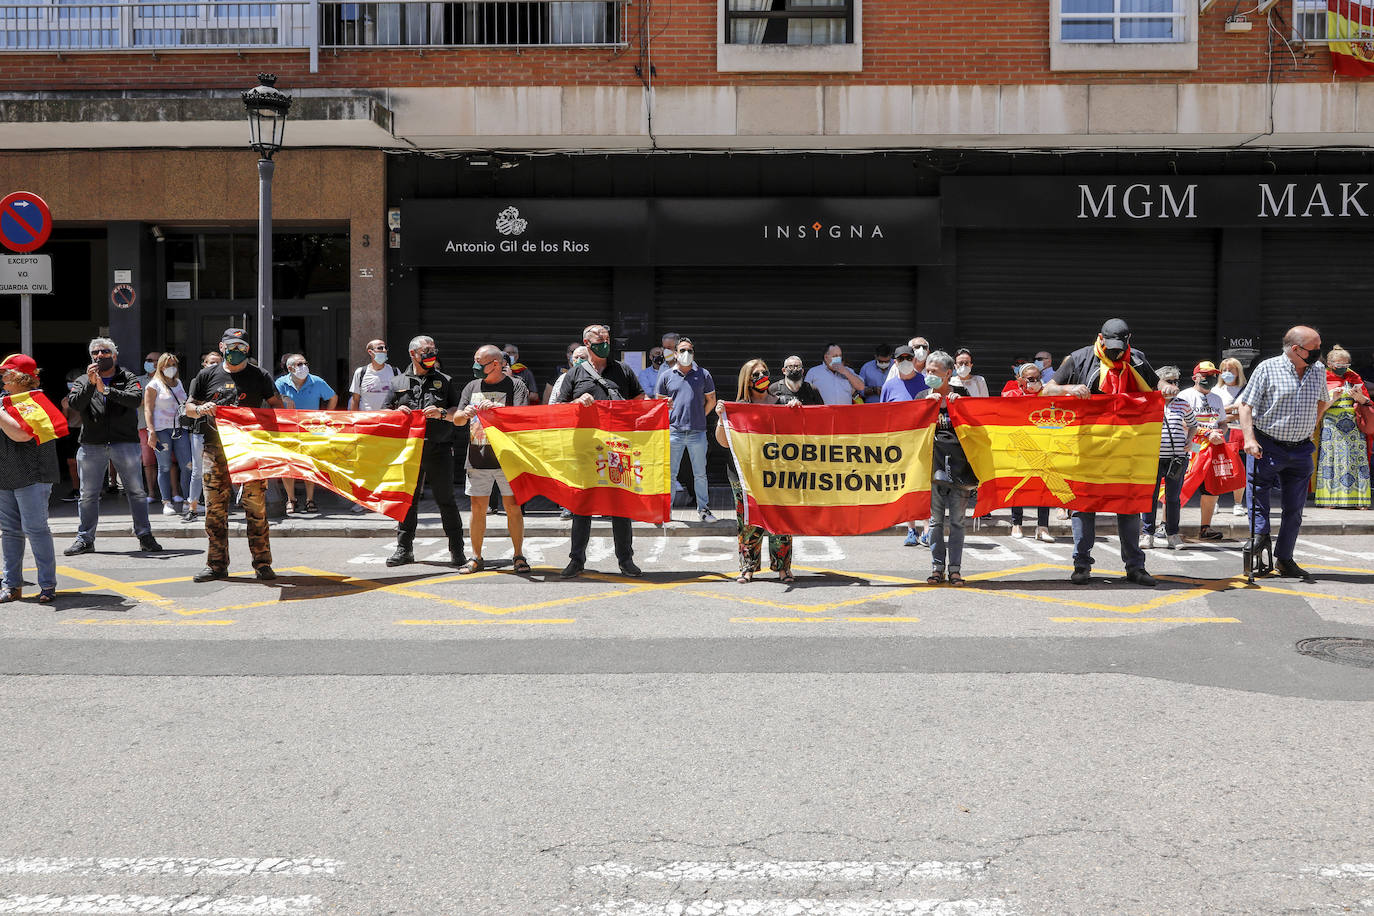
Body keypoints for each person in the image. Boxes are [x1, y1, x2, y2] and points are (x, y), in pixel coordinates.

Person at [1042, 318, 1158, 587]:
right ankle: (1081, 565)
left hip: (1126, 449)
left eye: (1120, 346)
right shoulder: (1078, 358)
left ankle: (1135, 568)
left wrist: (1165, 388)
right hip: (1087, 449)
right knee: (1083, 507)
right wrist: (1070, 389)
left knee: (1129, 508)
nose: (1115, 352)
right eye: (1110, 345)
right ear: (1100, 338)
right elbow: (1048, 390)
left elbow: (1154, 390)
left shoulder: (1138, 359)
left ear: (1129, 340)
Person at [183, 329, 285, 581]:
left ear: (247, 349)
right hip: (214, 449)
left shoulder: (260, 375)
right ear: (221, 347)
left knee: (256, 508)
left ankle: (262, 563)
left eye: (241, 346)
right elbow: (188, 407)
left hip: (250, 450)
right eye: (231, 346)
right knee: (215, 511)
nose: (236, 351)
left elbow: (277, 407)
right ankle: (216, 564)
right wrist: (201, 409)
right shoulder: (207, 375)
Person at [549, 322, 646, 579]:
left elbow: (639, 400)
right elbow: (559, 410)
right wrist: (576, 402)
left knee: (620, 507)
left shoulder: (623, 370)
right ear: (587, 344)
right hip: (584, 449)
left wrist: (654, 408)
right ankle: (576, 560)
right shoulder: (575, 375)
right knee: (582, 506)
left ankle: (626, 561)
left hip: (617, 447)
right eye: (600, 338)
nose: (606, 341)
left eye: (607, 337)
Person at [1236, 325, 1332, 582]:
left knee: (1295, 508)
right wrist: (1249, 439)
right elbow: (1245, 406)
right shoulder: (1267, 368)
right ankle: (1260, 541)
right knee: (1258, 498)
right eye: (1315, 349)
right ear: (1296, 349)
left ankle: (1285, 558)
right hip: (1268, 445)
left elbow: (1323, 400)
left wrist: (1313, 422)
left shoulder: (1319, 370)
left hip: (1301, 448)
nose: (1319, 353)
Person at [63, 337, 161, 557]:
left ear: (114, 355)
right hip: (91, 445)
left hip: (124, 442)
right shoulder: (82, 380)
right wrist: (91, 384)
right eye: (96, 353)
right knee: (88, 494)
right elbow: (76, 404)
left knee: (135, 492)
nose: (100, 356)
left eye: (105, 352)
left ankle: (145, 536)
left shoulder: (127, 377)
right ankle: (85, 538)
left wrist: (106, 390)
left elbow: (135, 400)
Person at [383, 335, 467, 569]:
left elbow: (457, 411)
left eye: (433, 350)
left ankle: (457, 550)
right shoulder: (397, 382)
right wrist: (396, 412)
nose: (431, 354)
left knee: (446, 500)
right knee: (407, 501)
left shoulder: (445, 380)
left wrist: (440, 412)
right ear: (413, 354)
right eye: (426, 351)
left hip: (439, 448)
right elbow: (385, 413)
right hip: (409, 451)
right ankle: (404, 549)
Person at [714, 359, 796, 583]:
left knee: (780, 517)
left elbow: (796, 434)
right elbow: (723, 442)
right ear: (747, 381)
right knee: (748, 520)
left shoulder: (782, 403)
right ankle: (748, 567)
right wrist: (721, 417)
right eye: (756, 375)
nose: (762, 377)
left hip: (775, 473)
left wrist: (794, 410)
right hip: (744, 474)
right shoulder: (737, 407)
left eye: (764, 372)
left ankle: (783, 567)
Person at [454, 345, 530, 574]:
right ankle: (476, 557)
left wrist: (497, 408)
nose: (475, 367)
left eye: (480, 363)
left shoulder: (516, 385)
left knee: (513, 507)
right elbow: (456, 419)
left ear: (495, 364)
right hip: (478, 457)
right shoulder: (471, 386)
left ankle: (518, 555)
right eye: (475, 361)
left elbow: (522, 417)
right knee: (477, 508)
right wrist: (464, 413)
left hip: (508, 458)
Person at [0, 354, 60, 604]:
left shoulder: (36, 400)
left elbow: (22, 435)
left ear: (21, 377)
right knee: (10, 532)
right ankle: (11, 585)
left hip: (33, 475)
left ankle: (47, 584)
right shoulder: (4, 401)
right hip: (6, 474)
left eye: (6, 373)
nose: (2, 378)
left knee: (36, 530)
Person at [922, 351, 976, 586]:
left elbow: (978, 428)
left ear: (948, 373)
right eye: (927, 371)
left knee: (957, 521)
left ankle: (955, 569)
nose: (929, 375)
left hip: (960, 470)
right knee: (935, 522)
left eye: (934, 371)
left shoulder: (962, 394)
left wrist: (962, 406)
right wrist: (925, 407)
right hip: (931, 470)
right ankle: (936, 568)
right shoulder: (921, 396)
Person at [656, 336, 718, 522]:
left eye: (690, 350)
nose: (686, 354)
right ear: (675, 353)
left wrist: (700, 415)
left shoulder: (703, 374)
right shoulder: (666, 375)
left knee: (700, 473)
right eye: (682, 350)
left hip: (697, 432)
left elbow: (711, 400)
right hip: (673, 431)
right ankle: (666, 512)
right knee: (670, 474)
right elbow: (658, 402)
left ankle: (704, 510)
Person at [1141, 367, 1196, 551]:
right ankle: (1147, 534)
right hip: (1153, 459)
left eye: (1176, 382)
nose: (1173, 385)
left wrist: (1189, 441)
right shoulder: (1148, 403)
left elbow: (1193, 425)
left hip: (1177, 458)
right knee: (1150, 497)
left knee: (1173, 498)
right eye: (1169, 381)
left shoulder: (1182, 404)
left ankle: (1172, 534)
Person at [276, 353, 338, 514]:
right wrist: (284, 398)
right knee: (288, 465)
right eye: (299, 364)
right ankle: (291, 500)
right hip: (288, 430)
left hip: (311, 430)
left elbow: (333, 397)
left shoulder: (316, 381)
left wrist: (327, 416)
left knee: (309, 465)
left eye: (305, 363)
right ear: (290, 368)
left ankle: (310, 500)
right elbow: (273, 400)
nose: (303, 366)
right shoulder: (281, 383)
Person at [881, 346, 931, 547]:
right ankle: (911, 529)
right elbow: (884, 416)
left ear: (915, 359)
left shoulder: (926, 382)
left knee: (924, 487)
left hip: (923, 443)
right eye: (900, 358)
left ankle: (927, 529)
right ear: (894, 362)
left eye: (908, 357)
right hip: (900, 445)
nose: (904, 360)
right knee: (906, 486)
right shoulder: (889, 386)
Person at [1177, 361, 1230, 541]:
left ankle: (1205, 528)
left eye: (1214, 375)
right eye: (1206, 375)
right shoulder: (1185, 395)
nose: (1211, 379)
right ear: (1195, 377)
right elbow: (1182, 421)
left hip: (1212, 447)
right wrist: (1207, 432)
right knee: (1181, 485)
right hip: (1192, 446)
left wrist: (1219, 432)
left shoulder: (1217, 399)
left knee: (1211, 489)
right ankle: (1166, 526)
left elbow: (1222, 422)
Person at [1002, 362, 1054, 542]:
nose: (1036, 382)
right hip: (1020, 445)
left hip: (1043, 445)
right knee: (1019, 485)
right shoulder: (1011, 394)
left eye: (1038, 378)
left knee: (1044, 487)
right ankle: (1016, 523)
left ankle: (1043, 527)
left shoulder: (1047, 393)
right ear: (1021, 380)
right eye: (1031, 379)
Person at [1314, 345, 1371, 509]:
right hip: (1332, 426)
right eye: (1340, 365)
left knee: (1356, 460)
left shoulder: (1354, 377)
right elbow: (1317, 408)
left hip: (1354, 427)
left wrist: (1360, 398)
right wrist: (1332, 399)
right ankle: (1330, 500)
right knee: (1331, 460)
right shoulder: (1322, 377)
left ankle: (1359, 500)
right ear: (1330, 363)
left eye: (1346, 365)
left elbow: (1367, 402)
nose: (1344, 369)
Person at [142, 353, 193, 519]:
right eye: (166, 365)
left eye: (173, 365)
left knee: (187, 465)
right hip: (161, 430)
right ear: (160, 367)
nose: (170, 368)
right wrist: (151, 432)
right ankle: (166, 502)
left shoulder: (178, 383)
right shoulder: (153, 385)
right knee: (164, 466)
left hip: (180, 429)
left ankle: (188, 501)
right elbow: (148, 410)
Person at [1217, 356, 1249, 517]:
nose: (1227, 373)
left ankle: (1238, 503)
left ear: (1238, 371)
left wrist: (1225, 412)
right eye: (1224, 370)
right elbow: (1214, 415)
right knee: (1218, 468)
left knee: (1239, 469)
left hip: (1239, 434)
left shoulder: (1247, 389)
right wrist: (1234, 410)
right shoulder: (1216, 390)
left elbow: (1249, 412)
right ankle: (1213, 501)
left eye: (1231, 370)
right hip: (1221, 433)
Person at [136, 349, 163, 504]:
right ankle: (151, 493)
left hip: (165, 428)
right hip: (144, 427)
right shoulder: (139, 380)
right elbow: (135, 400)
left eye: (154, 360)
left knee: (167, 463)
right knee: (148, 462)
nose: (150, 363)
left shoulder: (169, 380)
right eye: (148, 359)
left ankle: (170, 494)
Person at [347, 339, 404, 412]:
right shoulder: (360, 372)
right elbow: (355, 400)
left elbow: (400, 396)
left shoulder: (395, 371)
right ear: (370, 352)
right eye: (380, 348)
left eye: (385, 348)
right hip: (366, 419)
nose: (384, 350)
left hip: (387, 419)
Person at [58, 369, 83, 502]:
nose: (72, 384)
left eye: (75, 381)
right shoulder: (66, 399)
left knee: (86, 463)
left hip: (85, 431)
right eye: (70, 381)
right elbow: (63, 419)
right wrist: (65, 408)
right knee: (71, 463)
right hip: (71, 431)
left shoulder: (87, 395)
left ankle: (89, 490)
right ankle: (76, 489)